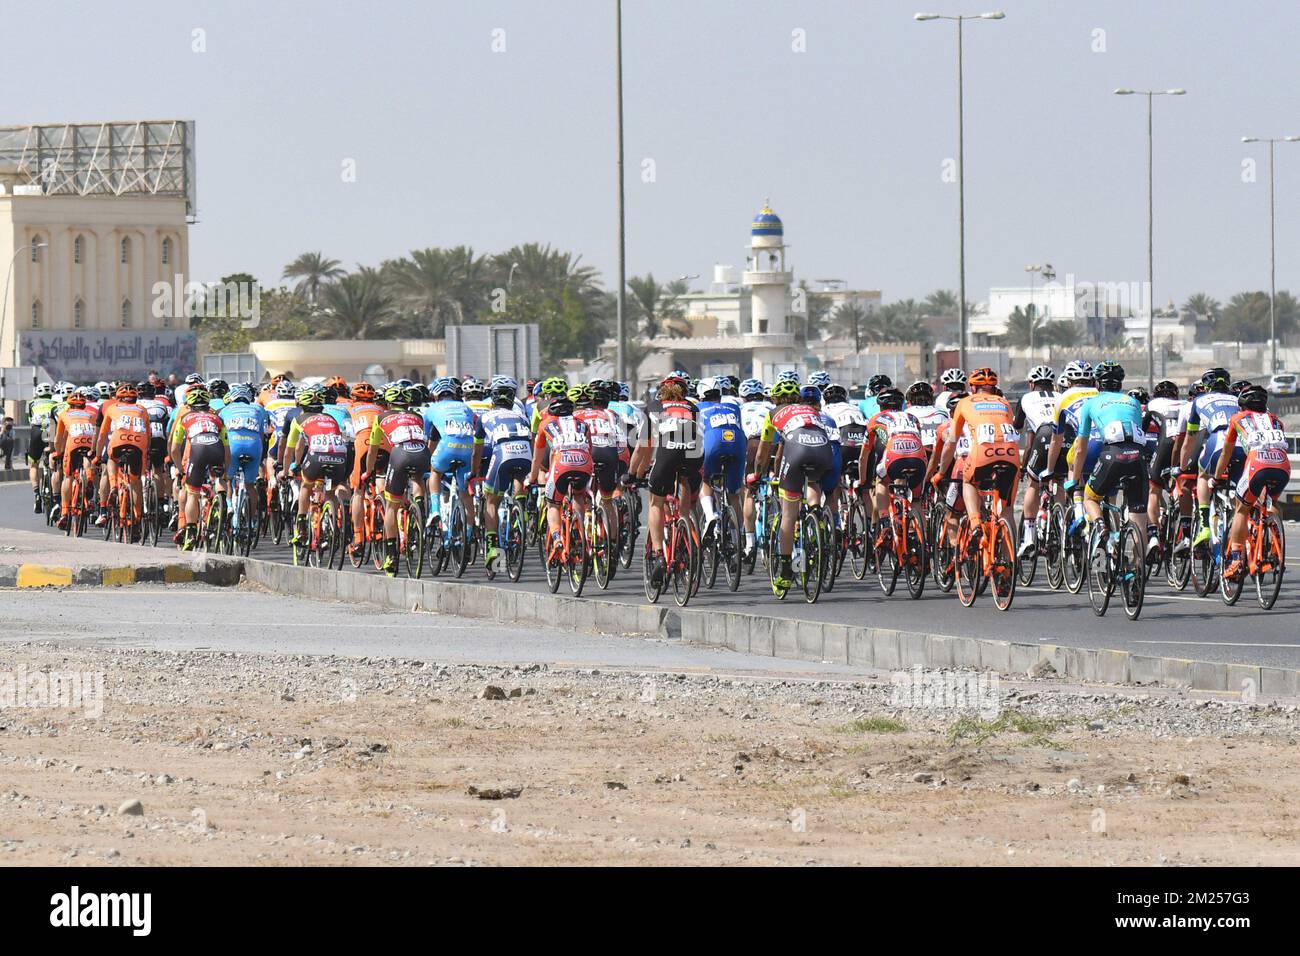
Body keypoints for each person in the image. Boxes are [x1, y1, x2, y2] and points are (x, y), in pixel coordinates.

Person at [747, 378, 833, 595]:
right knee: (812, 481)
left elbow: (763, 452)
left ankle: (786, 571)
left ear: (775, 398)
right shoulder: (809, 409)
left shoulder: (773, 413)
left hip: (797, 450)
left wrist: (757, 474)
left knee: (788, 514)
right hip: (824, 450)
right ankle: (816, 519)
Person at [1069, 360, 1155, 556]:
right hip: (1138, 457)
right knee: (1138, 518)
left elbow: (1080, 448)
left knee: (1089, 498)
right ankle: (1137, 571)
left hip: (1112, 455)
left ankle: (1101, 528)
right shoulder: (1133, 402)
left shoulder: (1090, 404)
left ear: (1097, 384)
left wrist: (1074, 480)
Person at [1215, 384, 1288, 581]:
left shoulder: (1237, 419)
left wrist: (1216, 477)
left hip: (1257, 465)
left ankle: (1237, 559)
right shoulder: (1276, 421)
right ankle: (1275, 546)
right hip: (1282, 466)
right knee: (1271, 504)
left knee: (1242, 508)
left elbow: (1226, 453)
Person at [1016, 365, 1060, 558]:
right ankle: (1063, 524)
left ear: (1031, 384)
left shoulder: (1026, 398)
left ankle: (1029, 537)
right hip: (1065, 437)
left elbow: (1023, 435)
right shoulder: (1061, 396)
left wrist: (1023, 467)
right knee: (1060, 480)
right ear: (1052, 384)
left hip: (1044, 435)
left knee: (1033, 483)